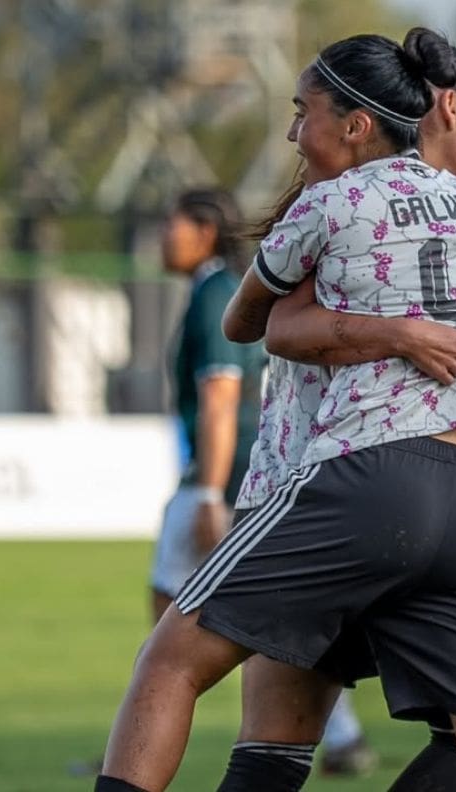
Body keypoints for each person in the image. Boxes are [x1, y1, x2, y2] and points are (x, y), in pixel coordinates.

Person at [96, 29, 456, 792]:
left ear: (356, 124)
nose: (290, 129)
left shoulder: (331, 202)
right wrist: (407, 329)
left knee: (173, 663)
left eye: (300, 111)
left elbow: (250, 324)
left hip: (359, 482)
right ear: (443, 111)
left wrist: (384, 331)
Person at [149, 188, 266, 623]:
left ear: (206, 231)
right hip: (243, 473)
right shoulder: (220, 288)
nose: (163, 235)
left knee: (170, 609)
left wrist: (209, 495)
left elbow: (221, 396)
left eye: (171, 223)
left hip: (230, 477)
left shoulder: (216, 293)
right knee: (269, 619)